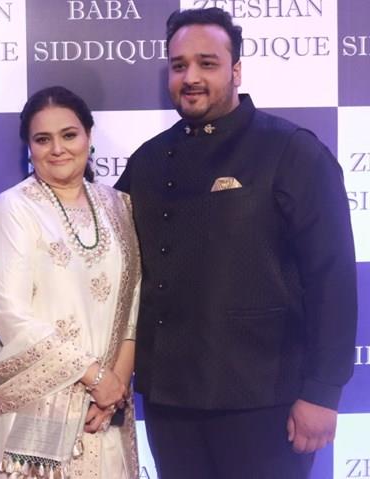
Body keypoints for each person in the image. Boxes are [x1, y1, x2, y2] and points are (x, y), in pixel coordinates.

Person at [115, 7, 357, 479]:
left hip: (267, 401)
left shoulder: (291, 150)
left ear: (236, 70)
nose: (191, 77)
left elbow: (332, 278)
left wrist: (323, 392)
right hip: (171, 404)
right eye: (179, 65)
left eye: (207, 63)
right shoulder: (148, 161)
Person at [0, 86, 141, 479]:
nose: (57, 149)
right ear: (29, 148)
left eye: (69, 135)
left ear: (88, 136)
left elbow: (132, 303)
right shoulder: (13, 209)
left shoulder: (117, 205)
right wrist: (94, 376)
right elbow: (10, 317)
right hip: (38, 404)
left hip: (105, 406)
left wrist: (114, 387)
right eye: (42, 139)